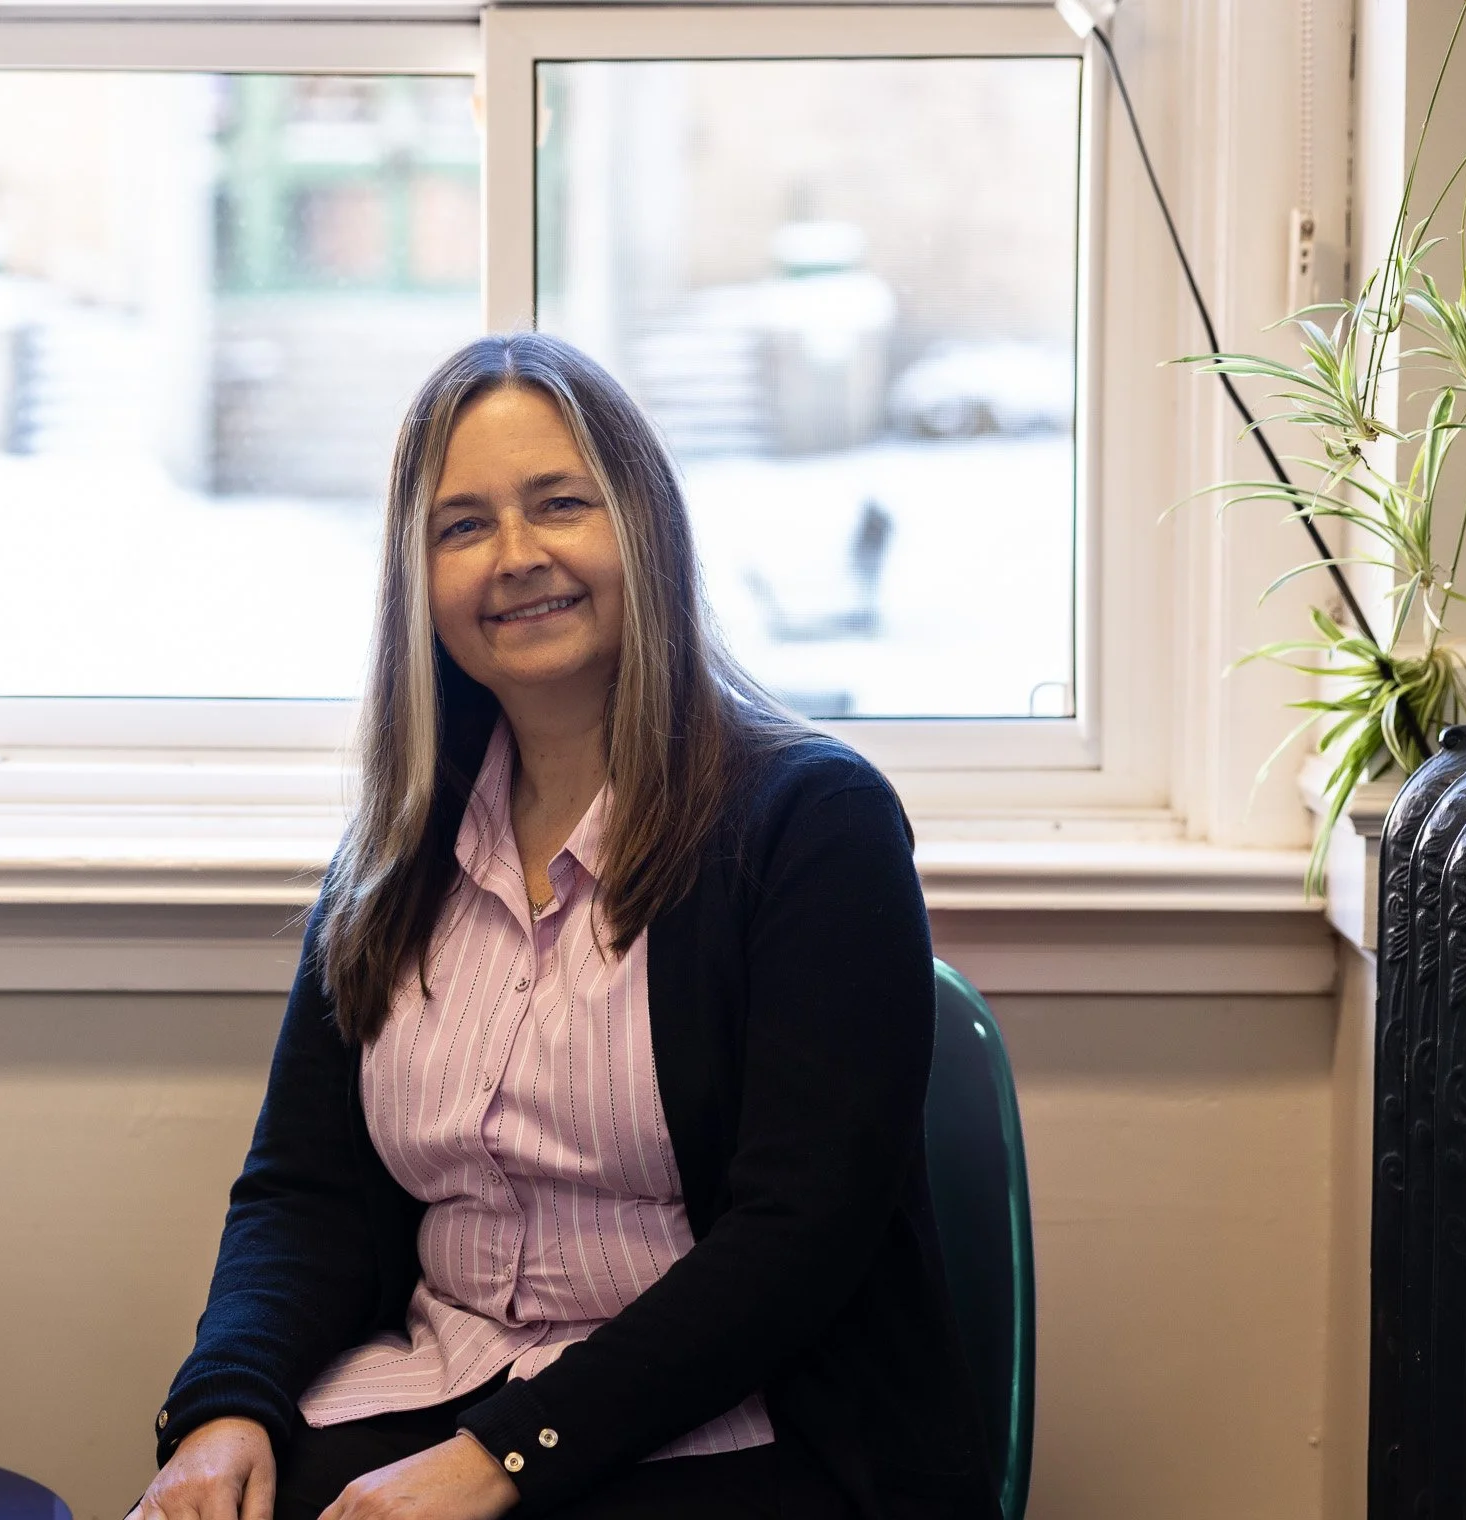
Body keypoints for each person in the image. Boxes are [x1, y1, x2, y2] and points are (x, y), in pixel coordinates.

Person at [132, 334, 995, 1520]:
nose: (517, 556)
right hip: (431, 1391)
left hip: (741, 1427)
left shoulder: (813, 824)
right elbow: (304, 1191)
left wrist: (503, 1456)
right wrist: (225, 1402)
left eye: (557, 504)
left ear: (641, 525)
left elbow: (799, 1238)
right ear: (416, 579)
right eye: (462, 524)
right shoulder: (392, 851)